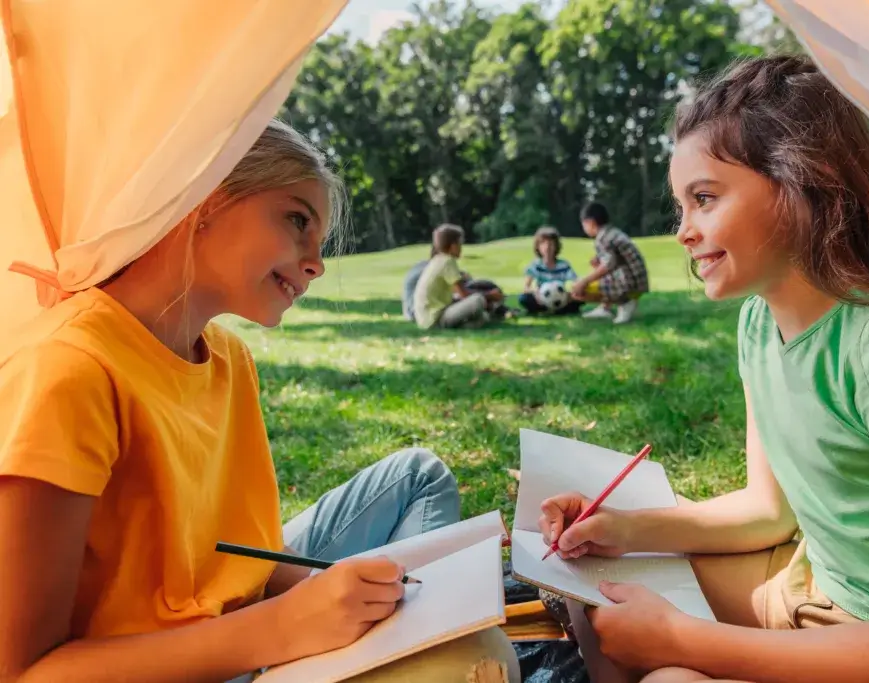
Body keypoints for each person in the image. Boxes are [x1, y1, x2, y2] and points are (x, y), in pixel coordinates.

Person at [541, 55, 869, 682]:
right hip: (817, 594)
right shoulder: (759, 323)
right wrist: (622, 531)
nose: (684, 231)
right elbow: (766, 511)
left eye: (705, 199)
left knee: (669, 678)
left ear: (802, 184)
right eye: (680, 206)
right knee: (597, 594)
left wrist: (684, 643)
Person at [0, 119, 515, 682]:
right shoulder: (70, 371)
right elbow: (24, 671)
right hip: (188, 663)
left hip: (247, 615)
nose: (316, 263)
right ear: (204, 197)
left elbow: (251, 558)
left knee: (419, 475)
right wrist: (284, 629)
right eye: (297, 220)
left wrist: (330, 597)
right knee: (476, 662)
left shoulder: (227, 357)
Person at [413, 224, 504, 330]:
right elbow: (464, 294)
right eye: (460, 244)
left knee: (482, 317)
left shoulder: (437, 260)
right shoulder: (447, 261)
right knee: (477, 300)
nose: (461, 248)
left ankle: (475, 322)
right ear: (453, 246)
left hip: (427, 320)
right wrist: (490, 296)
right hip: (435, 318)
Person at [572, 203, 649, 324]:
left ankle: (625, 302)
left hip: (630, 284)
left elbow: (608, 265)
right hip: (638, 280)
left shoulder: (602, 238)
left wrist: (584, 281)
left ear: (590, 222)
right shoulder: (612, 232)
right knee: (595, 277)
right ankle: (605, 308)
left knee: (579, 290)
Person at [519, 226, 583, 316]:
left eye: (551, 244)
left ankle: (556, 309)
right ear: (538, 247)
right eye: (543, 243)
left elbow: (576, 281)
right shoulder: (536, 265)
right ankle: (553, 309)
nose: (547, 247)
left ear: (556, 246)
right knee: (524, 298)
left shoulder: (563, 265)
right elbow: (526, 287)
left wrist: (570, 294)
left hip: (561, 298)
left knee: (581, 296)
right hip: (541, 299)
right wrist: (535, 292)